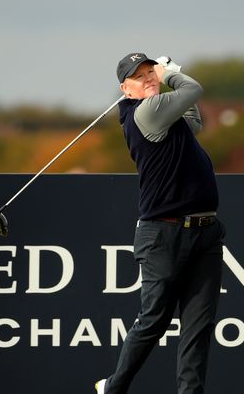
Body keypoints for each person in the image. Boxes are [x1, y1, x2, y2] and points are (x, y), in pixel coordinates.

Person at [96, 53, 225, 394]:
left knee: (198, 326)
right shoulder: (145, 113)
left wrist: (167, 78)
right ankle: (113, 386)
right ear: (126, 89)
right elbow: (193, 90)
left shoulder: (163, 114)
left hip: (205, 231)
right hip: (163, 233)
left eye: (149, 70)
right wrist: (173, 74)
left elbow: (193, 122)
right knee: (155, 319)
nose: (149, 78)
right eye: (139, 77)